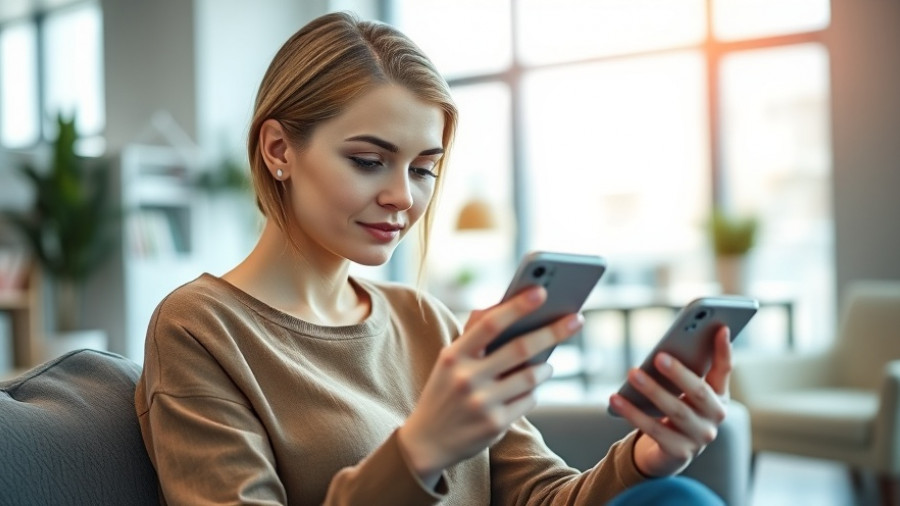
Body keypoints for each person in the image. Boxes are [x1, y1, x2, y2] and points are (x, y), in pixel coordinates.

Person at [135, 11, 731, 505]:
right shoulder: (201, 328)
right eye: (369, 161)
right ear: (278, 150)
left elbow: (542, 496)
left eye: (423, 169)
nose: (403, 196)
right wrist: (419, 451)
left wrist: (643, 458)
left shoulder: (425, 321)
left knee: (676, 494)